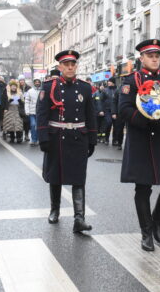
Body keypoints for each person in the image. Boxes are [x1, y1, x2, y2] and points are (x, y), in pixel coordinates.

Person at [120, 39, 160, 251]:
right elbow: (124, 110)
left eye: (157, 56)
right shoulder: (131, 80)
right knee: (143, 187)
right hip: (142, 140)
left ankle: (157, 222)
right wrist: (148, 118)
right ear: (142, 58)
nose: (155, 59)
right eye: (150, 56)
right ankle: (146, 232)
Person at [37, 50, 97, 233]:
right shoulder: (49, 86)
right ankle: (55, 210)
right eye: (66, 65)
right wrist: (43, 138)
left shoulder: (85, 88)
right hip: (57, 137)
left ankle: (79, 218)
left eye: (73, 64)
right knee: (56, 176)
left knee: (79, 178)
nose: (70, 68)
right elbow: (42, 114)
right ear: (60, 67)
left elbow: (90, 115)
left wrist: (92, 139)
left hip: (78, 137)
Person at [25, 78, 41, 146]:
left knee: (38, 126)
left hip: (40, 112)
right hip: (32, 112)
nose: (37, 83)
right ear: (34, 83)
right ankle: (33, 140)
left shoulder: (42, 91)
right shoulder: (30, 91)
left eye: (38, 82)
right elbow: (27, 101)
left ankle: (37, 139)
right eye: (36, 82)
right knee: (33, 125)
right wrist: (27, 111)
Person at [101, 78, 117, 144]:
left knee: (116, 125)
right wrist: (101, 110)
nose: (108, 82)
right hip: (107, 110)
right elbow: (101, 101)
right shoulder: (105, 90)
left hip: (115, 110)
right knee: (108, 123)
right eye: (108, 81)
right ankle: (106, 138)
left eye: (109, 81)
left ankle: (114, 140)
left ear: (113, 82)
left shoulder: (117, 90)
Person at [111, 78, 125, 150]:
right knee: (119, 129)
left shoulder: (132, 89)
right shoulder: (118, 90)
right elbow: (114, 102)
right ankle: (119, 143)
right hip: (120, 113)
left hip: (130, 112)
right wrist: (114, 112)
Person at [18, 75, 31, 141]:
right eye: (20, 80)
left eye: (22, 80)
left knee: (27, 121)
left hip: (27, 106)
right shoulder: (17, 88)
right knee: (20, 122)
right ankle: (20, 135)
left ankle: (26, 135)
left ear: (24, 80)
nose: (21, 81)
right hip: (19, 106)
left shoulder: (29, 88)